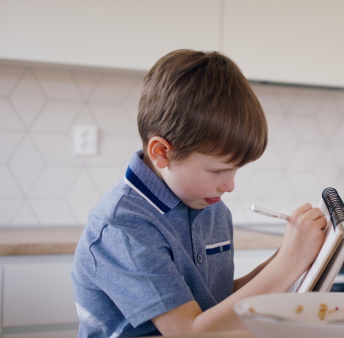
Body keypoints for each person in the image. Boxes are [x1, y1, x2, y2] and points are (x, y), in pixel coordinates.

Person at [71, 49, 327, 337]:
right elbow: (190, 332)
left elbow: (212, 305)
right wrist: (289, 261)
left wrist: (291, 254)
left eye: (236, 170)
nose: (230, 186)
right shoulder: (123, 227)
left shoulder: (211, 207)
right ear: (162, 153)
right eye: (218, 171)